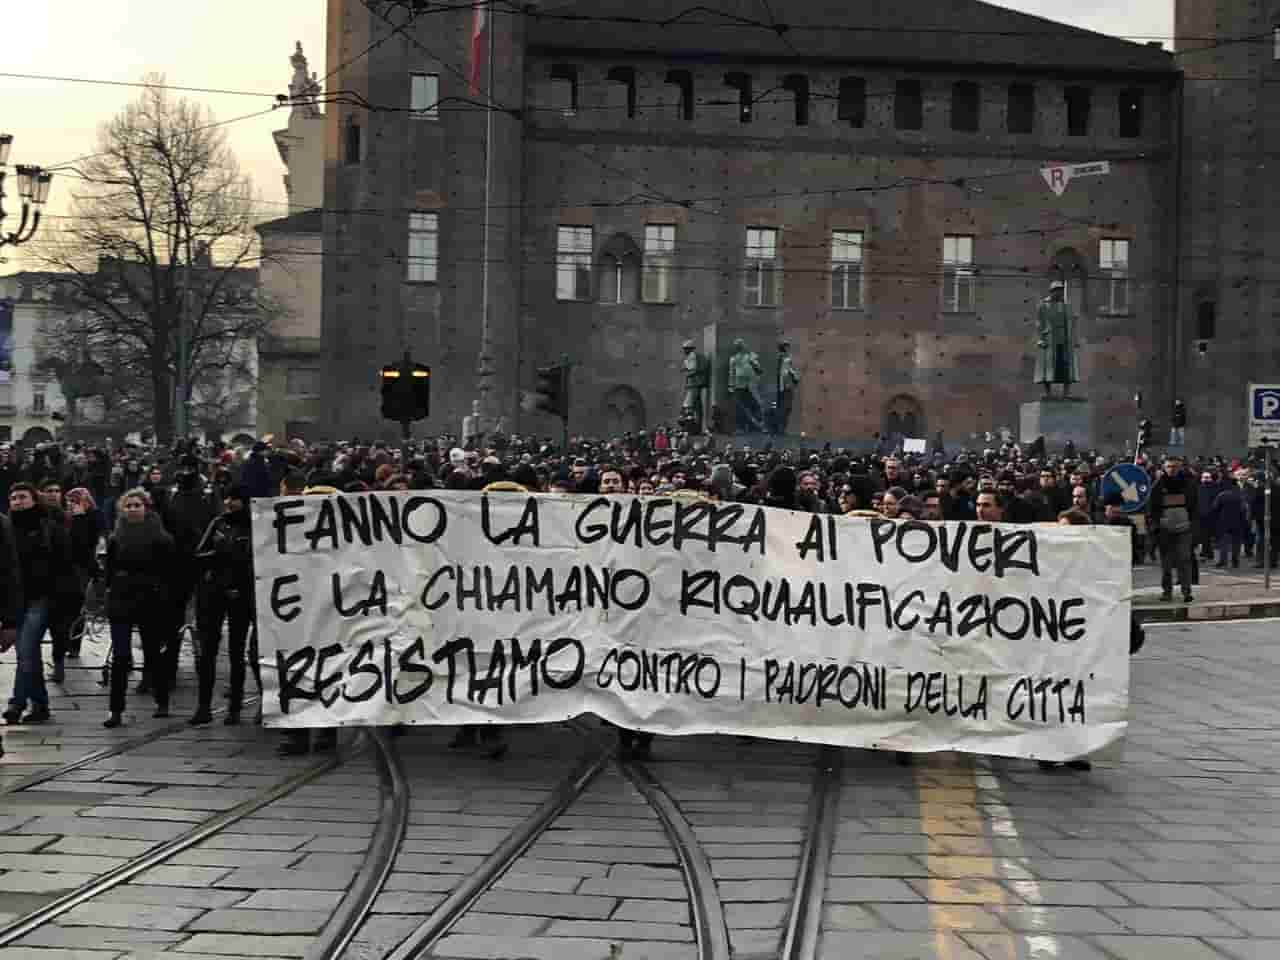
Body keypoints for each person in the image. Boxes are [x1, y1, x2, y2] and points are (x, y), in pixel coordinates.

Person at [102, 489, 177, 727]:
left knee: (153, 653)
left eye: (137, 505)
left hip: (150, 598)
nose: (132, 509)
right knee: (120, 656)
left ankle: (162, 701)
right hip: (121, 598)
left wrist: (164, 599)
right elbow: (109, 571)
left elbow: (169, 572)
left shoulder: (161, 537)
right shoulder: (116, 536)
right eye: (128, 505)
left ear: (146, 507)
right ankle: (115, 710)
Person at [4, 483, 72, 725]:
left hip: (41, 597)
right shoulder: (7, 528)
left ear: (34, 499)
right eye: (13, 498)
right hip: (15, 601)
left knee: (25, 651)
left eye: (22, 497)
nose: (17, 501)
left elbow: (64, 565)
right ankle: (40, 705)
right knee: (29, 653)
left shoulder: (48, 527)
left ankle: (17, 703)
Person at [189, 485, 256, 726]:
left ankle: (235, 707)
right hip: (214, 593)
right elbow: (198, 554)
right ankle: (203, 706)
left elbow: (255, 560)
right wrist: (217, 555)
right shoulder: (218, 523)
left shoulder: (254, 525)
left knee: (237, 652)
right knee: (208, 651)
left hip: (241, 594)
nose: (229, 502)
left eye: (235, 499)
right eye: (227, 498)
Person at [1149, 455, 1196, 603]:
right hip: (1165, 530)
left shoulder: (1189, 483)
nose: (1172, 470)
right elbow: (1152, 508)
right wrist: (1158, 524)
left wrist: (1192, 524)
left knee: (1184, 560)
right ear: (1164, 468)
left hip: (1184, 529)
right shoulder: (1157, 485)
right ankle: (1167, 592)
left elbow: (1195, 506)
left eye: (1175, 467)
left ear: (1180, 467)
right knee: (1166, 564)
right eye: (1169, 466)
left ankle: (1186, 591)